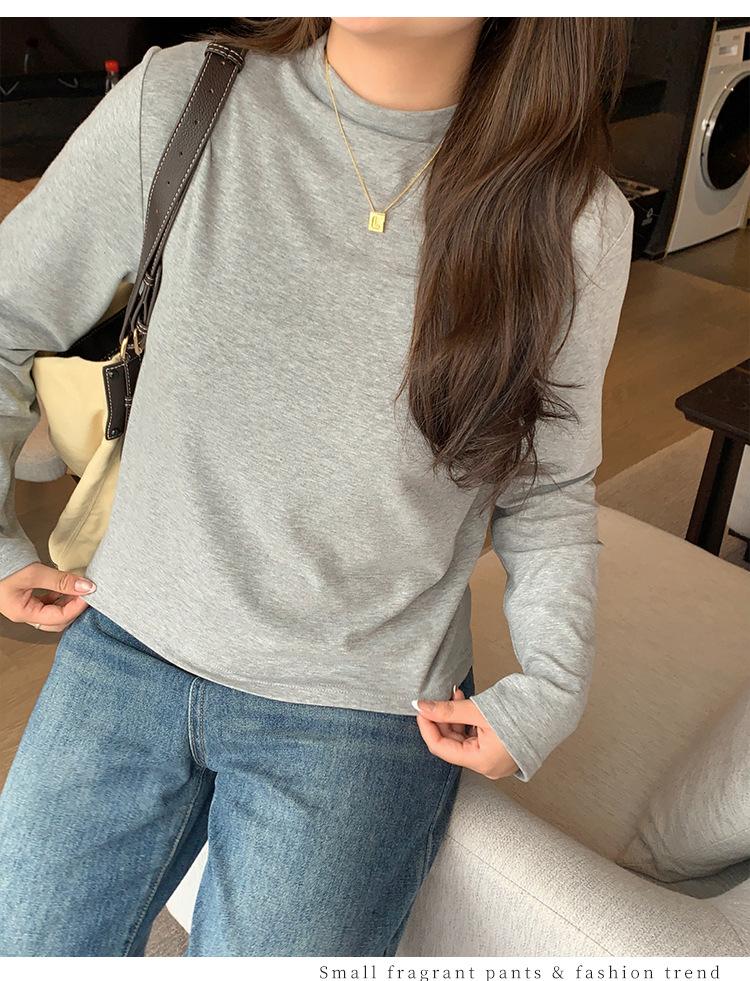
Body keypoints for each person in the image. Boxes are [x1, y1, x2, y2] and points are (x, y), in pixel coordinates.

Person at [0, 17, 634, 957]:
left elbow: (547, 486)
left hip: (364, 708)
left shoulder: (573, 217)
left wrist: (551, 686)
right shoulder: (183, 100)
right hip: (126, 643)